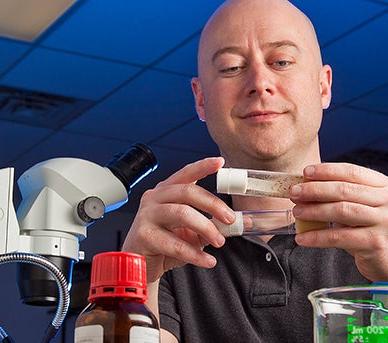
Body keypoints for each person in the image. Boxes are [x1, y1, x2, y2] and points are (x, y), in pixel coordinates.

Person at [122, 0, 388, 341]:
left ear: (323, 85)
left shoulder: (381, 223)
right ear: (201, 98)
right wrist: (133, 283)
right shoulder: (175, 244)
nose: (259, 82)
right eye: (232, 67)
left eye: (281, 62)